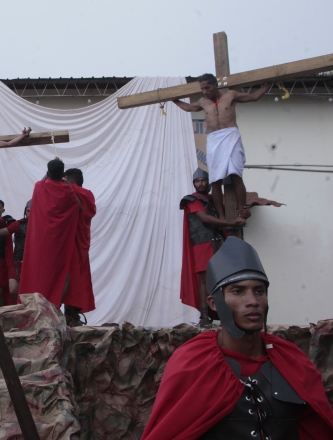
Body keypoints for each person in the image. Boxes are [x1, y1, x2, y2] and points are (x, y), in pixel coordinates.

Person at [142, 237, 333, 439]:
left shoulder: (292, 360)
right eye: (238, 291)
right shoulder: (192, 362)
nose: (252, 301)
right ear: (213, 303)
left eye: (259, 291)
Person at [172, 74, 272, 220]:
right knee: (215, 179)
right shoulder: (203, 102)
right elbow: (188, 107)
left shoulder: (230, 95)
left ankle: (242, 210)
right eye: (202, 89)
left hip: (231, 136)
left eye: (207, 87)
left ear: (215, 85)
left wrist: (270, 81)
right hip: (214, 139)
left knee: (236, 174)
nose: (205, 91)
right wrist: (173, 99)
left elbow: (255, 96)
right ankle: (220, 216)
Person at [180, 168, 245, 328]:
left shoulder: (213, 200)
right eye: (198, 181)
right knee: (204, 281)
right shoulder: (192, 200)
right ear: (194, 183)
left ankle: (225, 314)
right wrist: (231, 224)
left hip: (219, 243)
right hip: (202, 245)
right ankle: (204, 316)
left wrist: (242, 213)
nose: (201, 184)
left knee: (223, 280)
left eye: (203, 180)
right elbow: (206, 219)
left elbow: (229, 208)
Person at [18, 159, 79, 308]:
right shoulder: (67, 191)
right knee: (60, 276)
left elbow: (42, 181)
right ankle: (55, 307)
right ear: (63, 173)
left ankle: (34, 306)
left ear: (48, 172)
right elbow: (78, 206)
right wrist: (66, 183)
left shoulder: (40, 187)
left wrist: (47, 176)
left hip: (39, 241)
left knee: (38, 273)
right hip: (58, 242)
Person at [63, 168, 97, 326]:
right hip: (82, 242)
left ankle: (70, 315)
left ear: (71, 181)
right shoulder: (88, 195)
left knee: (69, 278)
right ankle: (72, 314)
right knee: (78, 278)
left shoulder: (70, 189)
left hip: (71, 242)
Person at [0, 200, 31, 305]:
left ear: (3, 210)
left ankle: (14, 315)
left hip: (4, 262)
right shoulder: (19, 224)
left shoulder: (5, 221)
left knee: (2, 293)